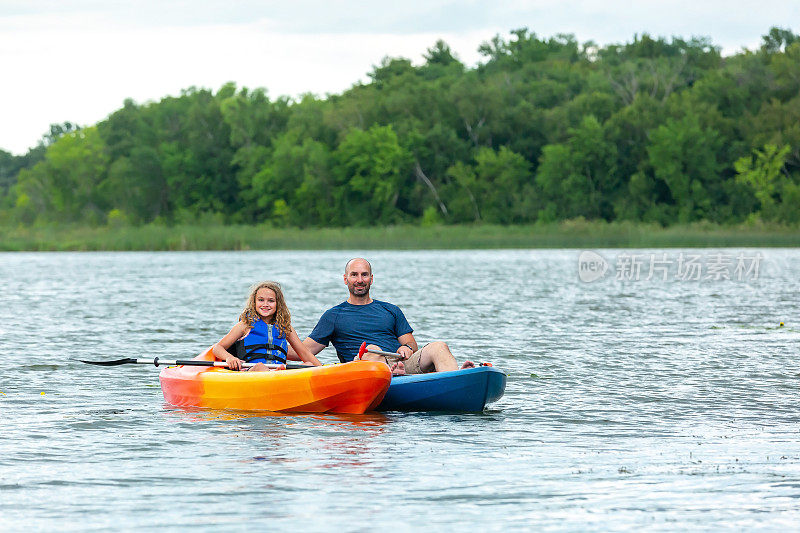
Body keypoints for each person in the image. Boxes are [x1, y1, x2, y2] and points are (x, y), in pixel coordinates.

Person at [292, 258, 474, 375]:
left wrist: (406, 348)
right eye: (354, 275)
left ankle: (456, 377)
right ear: (345, 279)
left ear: (371, 278)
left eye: (364, 275)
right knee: (371, 348)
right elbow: (304, 351)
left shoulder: (390, 310)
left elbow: (410, 343)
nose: (360, 280)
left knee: (438, 346)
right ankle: (393, 374)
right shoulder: (333, 315)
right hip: (365, 371)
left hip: (400, 364)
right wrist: (271, 347)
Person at [212, 281, 322, 371]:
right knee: (261, 367)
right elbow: (217, 348)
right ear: (254, 303)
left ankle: (279, 376)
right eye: (261, 300)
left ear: (278, 304)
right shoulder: (245, 325)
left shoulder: (285, 327)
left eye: (271, 301)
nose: (265, 304)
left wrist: (323, 370)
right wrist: (229, 358)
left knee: (308, 364)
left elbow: (305, 353)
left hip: (280, 371)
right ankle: (275, 376)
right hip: (251, 371)